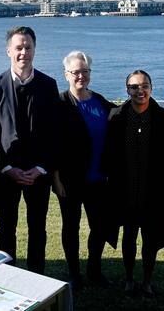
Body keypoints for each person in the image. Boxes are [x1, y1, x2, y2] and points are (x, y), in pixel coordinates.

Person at [0, 26, 60, 274]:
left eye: (28, 47)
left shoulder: (49, 85)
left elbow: (53, 133)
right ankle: (9, 273)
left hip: (38, 172)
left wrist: (40, 168)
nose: (23, 52)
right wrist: (6, 168)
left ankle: (37, 275)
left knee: (38, 226)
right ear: (8, 51)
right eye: (18, 47)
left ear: (35, 49)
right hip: (7, 173)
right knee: (7, 227)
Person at [103, 70, 164, 298]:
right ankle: (128, 278)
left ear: (151, 88)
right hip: (124, 190)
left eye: (144, 86)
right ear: (127, 90)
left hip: (153, 190)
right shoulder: (115, 117)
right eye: (134, 87)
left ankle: (146, 280)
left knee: (150, 238)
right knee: (128, 235)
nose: (139, 91)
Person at [52, 51, 115, 290]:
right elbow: (53, 144)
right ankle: (74, 274)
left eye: (85, 71)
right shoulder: (59, 104)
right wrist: (55, 179)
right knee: (71, 227)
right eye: (76, 72)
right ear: (66, 74)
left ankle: (94, 270)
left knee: (99, 227)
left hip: (98, 178)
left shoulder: (99, 101)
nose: (81, 76)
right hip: (69, 179)